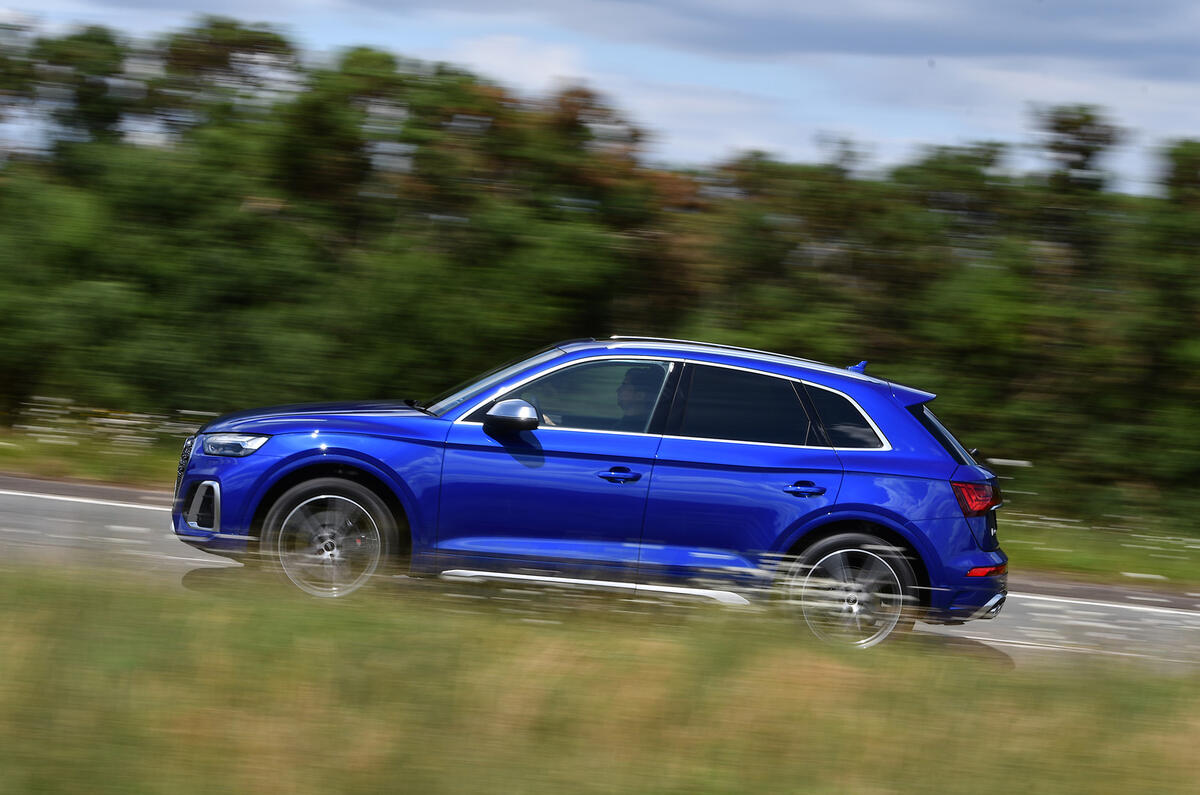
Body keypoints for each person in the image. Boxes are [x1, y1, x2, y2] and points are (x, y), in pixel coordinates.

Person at [612, 366, 661, 432]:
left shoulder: (635, 429)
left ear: (640, 396)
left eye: (624, 385)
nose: (618, 390)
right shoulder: (629, 424)